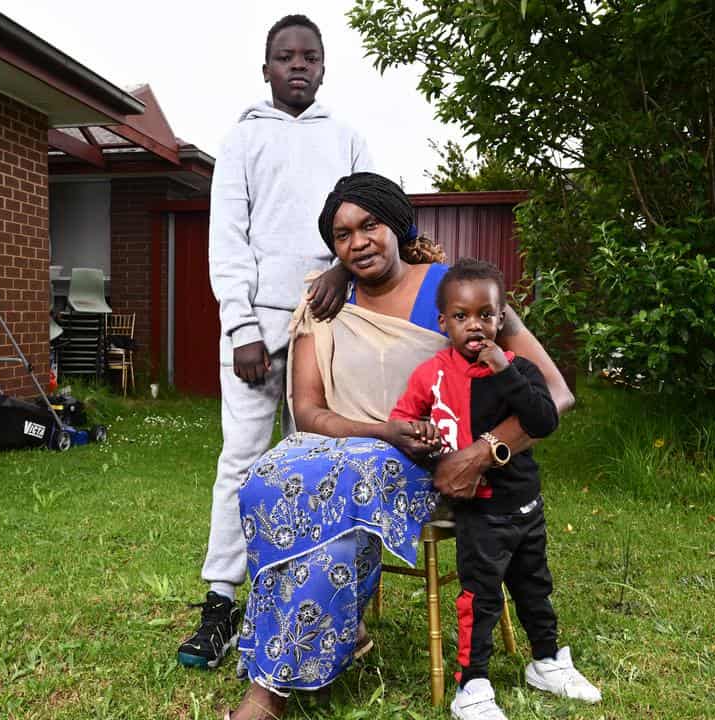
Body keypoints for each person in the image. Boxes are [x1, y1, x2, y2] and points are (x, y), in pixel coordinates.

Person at [226, 173, 574, 720]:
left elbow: (556, 394)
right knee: (267, 480)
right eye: (342, 236)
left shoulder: (457, 292)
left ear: (397, 222)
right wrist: (381, 431)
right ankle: (334, 634)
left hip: (436, 464)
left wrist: (483, 453)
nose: (358, 242)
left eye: (371, 225)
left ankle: (269, 689)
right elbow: (310, 412)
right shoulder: (327, 303)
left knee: (333, 508)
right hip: (351, 451)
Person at [179, 14, 374, 670]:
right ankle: (219, 602)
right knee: (241, 459)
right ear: (265, 69)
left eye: (309, 57)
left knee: (316, 461)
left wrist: (341, 271)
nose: (298, 65)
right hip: (257, 328)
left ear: (324, 67)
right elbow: (227, 237)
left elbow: (377, 217)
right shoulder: (242, 139)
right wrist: (240, 327)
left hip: (328, 321)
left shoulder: (345, 136)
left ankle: (297, 597)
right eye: (285, 57)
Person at [390, 258, 601, 720]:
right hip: (478, 511)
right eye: (461, 317)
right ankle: (472, 685)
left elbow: (544, 419)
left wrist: (504, 369)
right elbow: (401, 420)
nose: (475, 326)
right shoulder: (433, 374)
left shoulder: (519, 369)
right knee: (480, 596)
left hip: (525, 503)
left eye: (485, 315)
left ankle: (546, 661)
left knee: (534, 586)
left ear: (501, 318)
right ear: (443, 321)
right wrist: (421, 436)